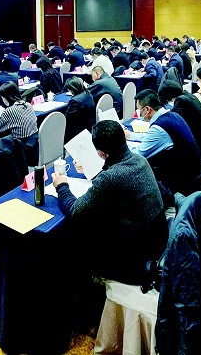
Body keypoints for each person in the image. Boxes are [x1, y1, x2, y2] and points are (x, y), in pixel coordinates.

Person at [52, 120, 167, 285]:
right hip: (156, 238)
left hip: (136, 254)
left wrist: (61, 186)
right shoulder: (140, 159)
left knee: (77, 231)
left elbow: (76, 211)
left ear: (101, 154)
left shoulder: (110, 178)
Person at [126, 89, 201, 202]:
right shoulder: (172, 115)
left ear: (147, 109)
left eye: (139, 110)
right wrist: (131, 135)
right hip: (193, 175)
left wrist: (122, 145)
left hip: (181, 186)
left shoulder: (158, 128)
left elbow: (138, 155)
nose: (138, 113)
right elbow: (152, 137)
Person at [63, 77, 96, 143]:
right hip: (88, 125)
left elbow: (68, 118)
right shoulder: (88, 93)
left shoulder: (75, 101)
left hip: (77, 130)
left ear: (72, 89)